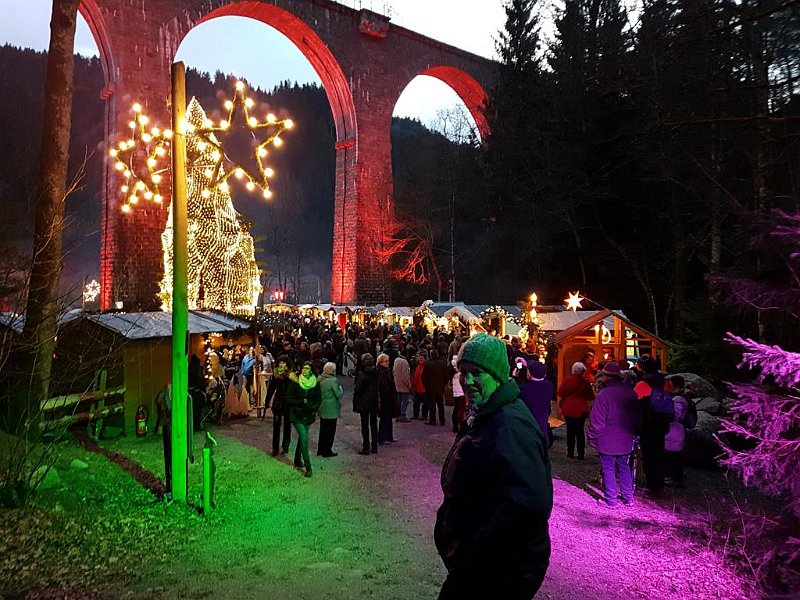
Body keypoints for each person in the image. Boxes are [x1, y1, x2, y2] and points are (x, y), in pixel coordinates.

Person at [435, 334, 553, 599]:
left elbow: (527, 505)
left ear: (497, 375)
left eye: (477, 373)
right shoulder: (488, 412)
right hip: (487, 562)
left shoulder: (510, 426)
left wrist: (472, 549)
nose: (467, 381)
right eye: (463, 372)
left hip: (498, 566)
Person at [587, 362, 641, 508]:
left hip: (607, 438)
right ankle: (628, 498)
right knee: (624, 466)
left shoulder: (604, 395)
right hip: (625, 437)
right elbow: (637, 417)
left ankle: (611, 500)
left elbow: (597, 420)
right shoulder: (631, 393)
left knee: (608, 468)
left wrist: (592, 436)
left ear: (606, 376)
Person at [285, 361, 322, 477]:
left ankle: (297, 459)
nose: (305, 370)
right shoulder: (295, 381)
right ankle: (308, 467)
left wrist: (313, 407)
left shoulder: (315, 382)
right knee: (304, 438)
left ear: (311, 370)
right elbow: (288, 398)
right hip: (298, 414)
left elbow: (318, 398)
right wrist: (300, 403)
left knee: (302, 438)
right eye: (303, 368)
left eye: (307, 368)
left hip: (309, 413)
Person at [557, 362, 595, 460]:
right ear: (583, 371)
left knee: (570, 431)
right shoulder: (585, 382)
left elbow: (560, 393)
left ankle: (570, 452)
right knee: (580, 431)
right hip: (581, 409)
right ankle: (581, 453)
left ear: (573, 370)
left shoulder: (567, 380)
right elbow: (591, 396)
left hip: (568, 408)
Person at [519, 360, 554, 446]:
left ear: (529, 374)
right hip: (542, 424)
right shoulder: (549, 386)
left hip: (528, 425)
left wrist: (515, 376)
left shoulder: (524, 389)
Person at [664, 375, 689, 487]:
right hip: (677, 430)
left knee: (673, 455)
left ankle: (675, 478)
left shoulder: (678, 399)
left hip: (675, 430)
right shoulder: (682, 397)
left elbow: (675, 414)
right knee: (675, 455)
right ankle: (675, 477)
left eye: (670, 384)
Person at [353, 352, 379, 455]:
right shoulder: (376, 372)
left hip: (364, 401)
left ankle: (366, 446)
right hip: (374, 400)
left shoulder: (362, 373)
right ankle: (374, 446)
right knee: (373, 424)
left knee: (365, 425)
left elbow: (358, 389)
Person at [267, 356, 292, 456]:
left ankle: (285, 446)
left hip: (288, 402)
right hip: (278, 402)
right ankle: (275, 448)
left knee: (287, 425)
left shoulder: (291, 375)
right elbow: (271, 388)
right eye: (280, 363)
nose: (281, 365)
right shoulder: (276, 375)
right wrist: (267, 401)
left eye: (283, 363)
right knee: (276, 425)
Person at [317, 361, 343, 458]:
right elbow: (338, 394)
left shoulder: (319, 379)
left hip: (322, 406)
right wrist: (340, 388)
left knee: (323, 429)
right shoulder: (333, 380)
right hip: (331, 408)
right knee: (330, 431)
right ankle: (327, 450)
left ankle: (320, 449)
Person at [422, 349, 450, 426]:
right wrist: (443, 384)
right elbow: (447, 376)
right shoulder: (442, 363)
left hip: (430, 387)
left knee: (432, 404)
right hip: (440, 387)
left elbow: (424, 377)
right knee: (440, 404)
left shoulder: (428, 364)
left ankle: (432, 420)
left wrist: (426, 385)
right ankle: (442, 420)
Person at [376, 353, 398, 444]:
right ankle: (382, 437)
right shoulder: (381, 373)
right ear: (381, 362)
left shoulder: (387, 371)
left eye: (388, 361)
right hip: (385, 398)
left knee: (388, 418)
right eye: (385, 361)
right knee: (384, 419)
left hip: (389, 398)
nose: (387, 363)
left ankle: (389, 436)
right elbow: (383, 386)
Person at [393, 349, 413, 422]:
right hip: (403, 385)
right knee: (405, 401)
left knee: (399, 401)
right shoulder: (404, 362)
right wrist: (409, 385)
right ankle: (402, 415)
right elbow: (405, 375)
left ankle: (399, 414)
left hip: (397, 383)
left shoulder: (396, 360)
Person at [450, 353, 466, 432]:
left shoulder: (454, 375)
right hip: (461, 393)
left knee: (456, 408)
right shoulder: (460, 375)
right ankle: (460, 424)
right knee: (460, 409)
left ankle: (455, 426)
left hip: (456, 393)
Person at [411, 350, 427, 420]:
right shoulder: (417, 366)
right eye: (419, 358)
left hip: (424, 387)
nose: (420, 359)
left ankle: (423, 415)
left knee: (425, 403)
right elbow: (415, 377)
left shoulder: (425, 367)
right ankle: (416, 415)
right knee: (416, 403)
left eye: (422, 358)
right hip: (417, 387)